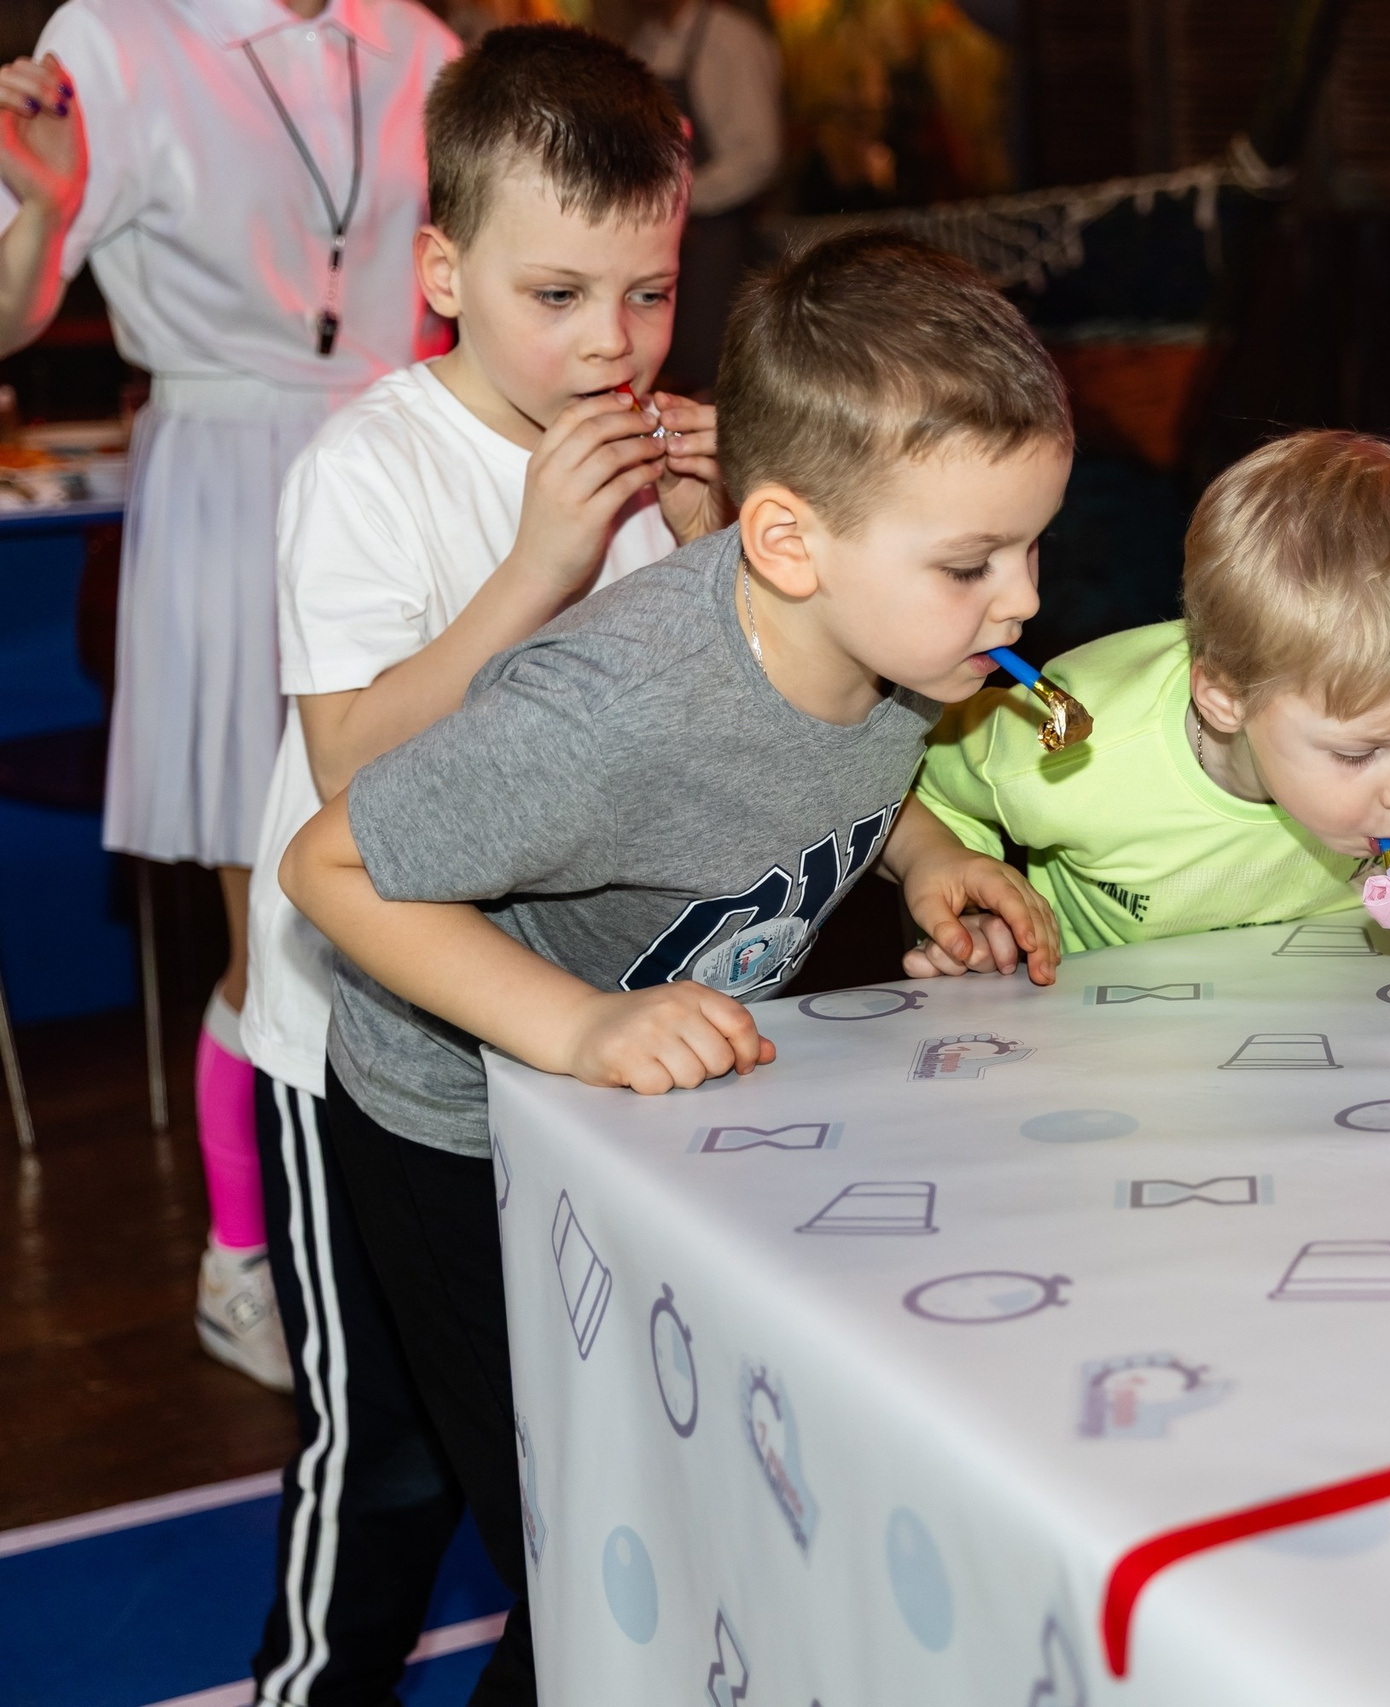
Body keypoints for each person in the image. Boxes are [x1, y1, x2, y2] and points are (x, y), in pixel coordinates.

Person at [278, 231, 1066, 1692]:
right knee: (588, 1543)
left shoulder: (903, 645)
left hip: (642, 1111)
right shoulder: (615, 710)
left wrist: (926, 856)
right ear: (786, 543)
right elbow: (326, 864)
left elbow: (847, 768)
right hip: (456, 1123)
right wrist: (575, 1028)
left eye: (1030, 546)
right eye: (972, 562)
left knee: (672, 1505)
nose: (1018, 601)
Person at [239, 26, 708, 1702]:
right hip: (344, 1047)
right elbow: (357, 765)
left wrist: (726, 563)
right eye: (559, 295)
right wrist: (539, 565)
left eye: (648, 294)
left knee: (559, 1447)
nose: (612, 344)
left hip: (543, 1034)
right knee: (393, 1466)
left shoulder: (641, 469)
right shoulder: (368, 468)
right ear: (442, 268)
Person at [0, 0, 457, 1391]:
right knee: (277, 922)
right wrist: (44, 200)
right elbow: (10, 312)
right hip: (225, 483)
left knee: (435, 888)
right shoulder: (119, 37)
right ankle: (240, 1260)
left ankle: (397, 1242)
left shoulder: (421, 43)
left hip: (405, 470)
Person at [911, 429, 1390, 965]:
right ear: (1224, 699)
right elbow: (926, 791)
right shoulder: (1072, 748)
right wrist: (983, 908)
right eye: (1357, 753)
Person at [626, 0, 779, 393]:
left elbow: (759, 154)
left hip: (718, 242)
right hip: (658, 237)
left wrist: (679, 198)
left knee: (716, 376)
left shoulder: (731, 38)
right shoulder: (646, 40)